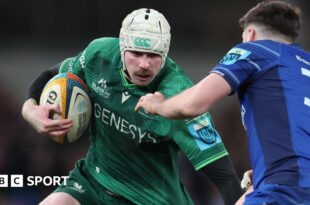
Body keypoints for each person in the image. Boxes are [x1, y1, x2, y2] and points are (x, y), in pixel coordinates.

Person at [22, 8, 244, 205]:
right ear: (122, 47)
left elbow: (224, 176)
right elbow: (51, 75)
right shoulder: (98, 56)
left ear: (165, 52)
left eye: (153, 55)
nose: (144, 64)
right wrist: (30, 109)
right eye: (136, 54)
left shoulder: (182, 96)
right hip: (92, 183)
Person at [135, 1, 310, 204]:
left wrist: (159, 105)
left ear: (250, 34)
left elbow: (193, 105)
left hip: (282, 190)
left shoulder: (254, 51)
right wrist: (269, 166)